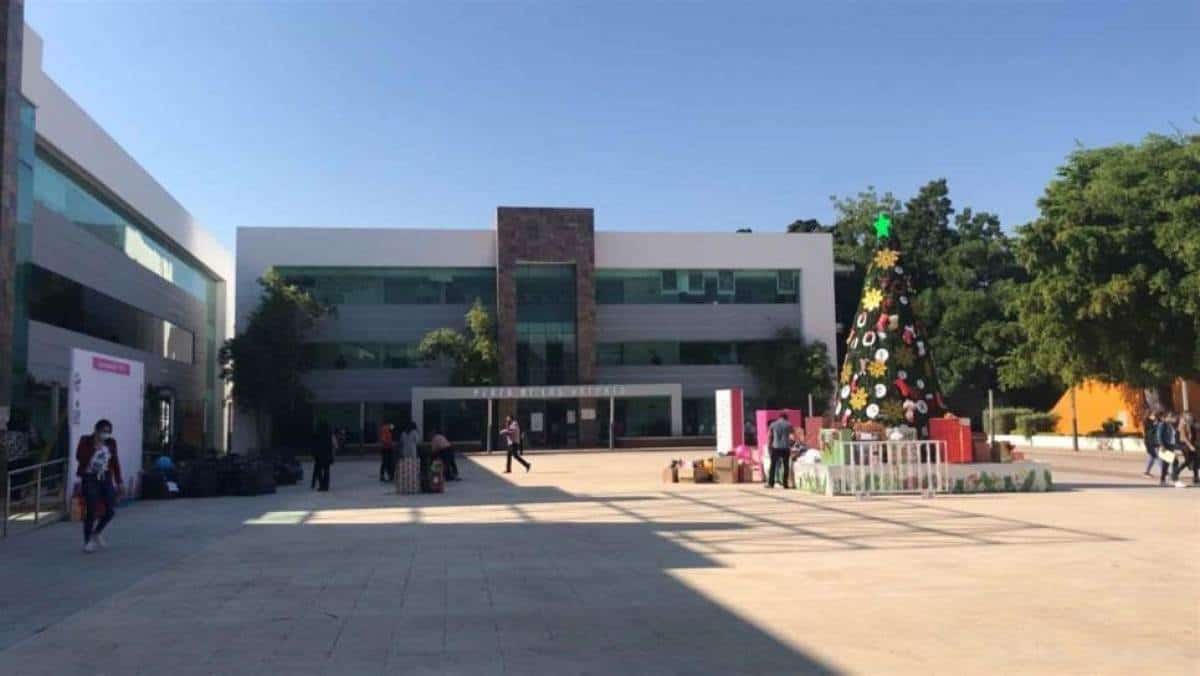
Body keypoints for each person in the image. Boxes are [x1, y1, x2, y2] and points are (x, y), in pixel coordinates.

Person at [76, 419, 122, 553]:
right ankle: (87, 541)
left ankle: (97, 532)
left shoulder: (111, 443)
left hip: (105, 477)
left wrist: (119, 481)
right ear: (96, 431)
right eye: (104, 431)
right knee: (91, 509)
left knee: (110, 509)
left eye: (108, 432)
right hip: (89, 477)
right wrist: (94, 447)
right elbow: (79, 457)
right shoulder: (85, 441)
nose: (106, 434)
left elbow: (115, 462)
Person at [766, 414, 793, 489]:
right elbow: (792, 437)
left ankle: (771, 483)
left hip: (776, 447)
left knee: (773, 465)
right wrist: (790, 444)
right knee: (786, 465)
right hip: (785, 448)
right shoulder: (789, 424)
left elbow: (770, 436)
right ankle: (785, 484)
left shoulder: (773, 424)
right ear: (786, 418)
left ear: (779, 417)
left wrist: (769, 445)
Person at [1171, 412, 1197, 487]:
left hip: (1187, 445)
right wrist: (1190, 446)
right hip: (1182, 445)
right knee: (1186, 461)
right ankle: (1174, 475)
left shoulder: (1188, 424)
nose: (1191, 418)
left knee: (1191, 460)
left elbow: (1191, 435)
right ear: (1185, 417)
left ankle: (1195, 477)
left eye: (1191, 417)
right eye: (1189, 417)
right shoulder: (1182, 425)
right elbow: (1183, 437)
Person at [1157, 412, 1180, 486]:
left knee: (1166, 464)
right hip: (1166, 446)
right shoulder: (1162, 424)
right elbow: (1159, 435)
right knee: (1175, 462)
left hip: (1171, 446)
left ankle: (1162, 480)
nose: (1174, 419)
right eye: (1172, 417)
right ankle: (1174, 479)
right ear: (1167, 417)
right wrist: (1162, 445)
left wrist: (1175, 446)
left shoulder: (1170, 425)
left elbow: (1173, 436)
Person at [312, 422, 334, 492]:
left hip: (319, 456)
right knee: (326, 471)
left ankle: (321, 485)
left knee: (319, 471)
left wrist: (314, 454)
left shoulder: (317, 435)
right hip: (327, 456)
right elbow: (330, 447)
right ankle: (326, 486)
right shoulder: (328, 435)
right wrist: (331, 457)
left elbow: (314, 446)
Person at [1142, 412, 1160, 477]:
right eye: (1153, 415)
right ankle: (1165, 472)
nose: (1154, 416)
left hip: (1154, 441)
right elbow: (1150, 432)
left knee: (1152, 457)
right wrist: (1155, 425)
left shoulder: (1155, 422)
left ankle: (1146, 472)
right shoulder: (1147, 423)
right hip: (1150, 442)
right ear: (1149, 415)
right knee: (1159, 457)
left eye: (1155, 415)